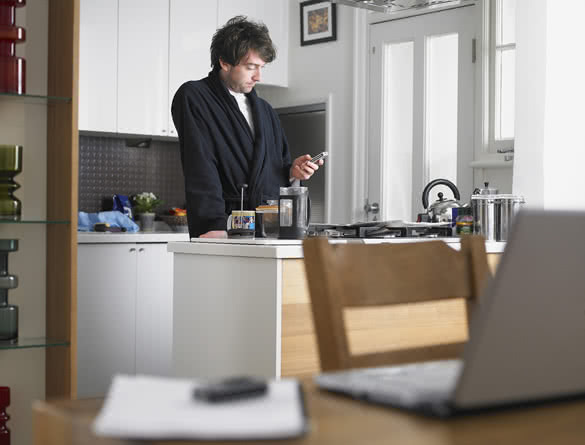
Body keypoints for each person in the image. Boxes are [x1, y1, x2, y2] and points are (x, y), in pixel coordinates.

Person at [172, 16, 322, 238]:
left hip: (269, 228)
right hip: (224, 226)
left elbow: (273, 169)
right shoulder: (195, 96)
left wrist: (292, 172)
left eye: (261, 67)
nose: (258, 76)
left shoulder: (266, 111)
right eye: (251, 67)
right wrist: (212, 224)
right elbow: (200, 164)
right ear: (224, 62)